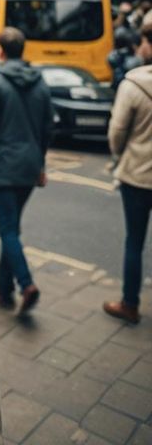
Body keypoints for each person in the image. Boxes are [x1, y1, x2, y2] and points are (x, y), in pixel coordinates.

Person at [0, 25, 52, 314]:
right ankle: (3, 290)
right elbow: (46, 128)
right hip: (29, 166)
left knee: (7, 229)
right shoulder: (40, 82)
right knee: (12, 228)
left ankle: (26, 283)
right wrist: (41, 163)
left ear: (0, 51)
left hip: (4, 165)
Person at [104, 20, 152, 324]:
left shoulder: (133, 85)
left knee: (134, 240)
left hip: (138, 174)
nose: (139, 47)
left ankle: (130, 303)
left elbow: (117, 133)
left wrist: (120, 156)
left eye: (143, 42)